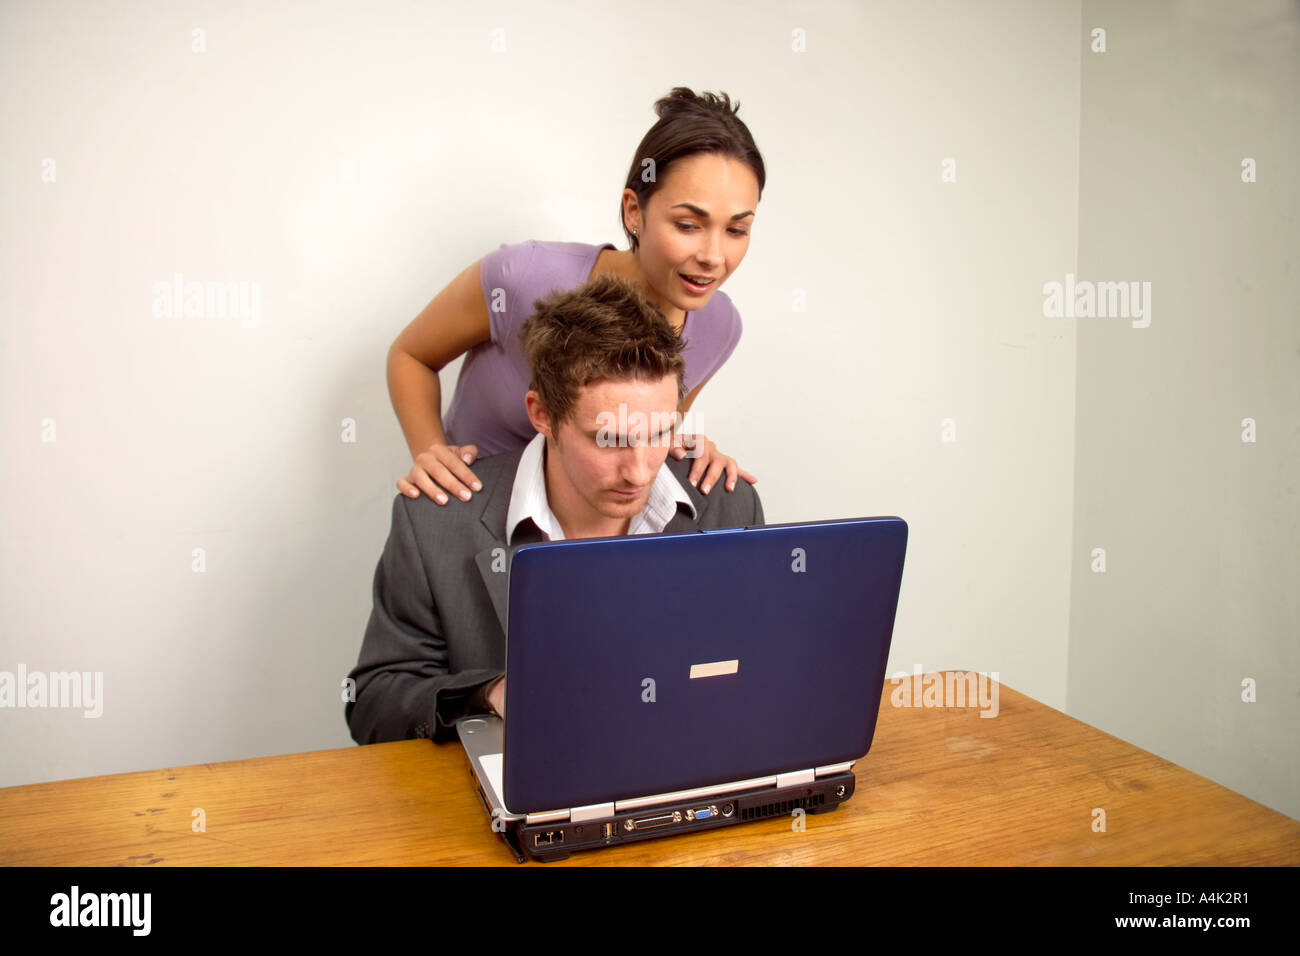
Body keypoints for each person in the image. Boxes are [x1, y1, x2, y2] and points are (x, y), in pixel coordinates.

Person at [346, 274, 764, 745]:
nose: (640, 470)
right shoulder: (434, 523)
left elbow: (765, 669)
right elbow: (372, 706)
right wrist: (488, 694)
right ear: (542, 414)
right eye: (610, 439)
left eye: (659, 431)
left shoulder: (729, 504)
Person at [387, 86, 764, 509]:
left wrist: (689, 448)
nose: (713, 257)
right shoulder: (521, 278)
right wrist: (429, 452)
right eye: (688, 225)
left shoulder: (719, 327)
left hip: (586, 531)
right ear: (633, 212)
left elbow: (642, 428)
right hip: (478, 519)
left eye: (736, 230)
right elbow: (411, 356)